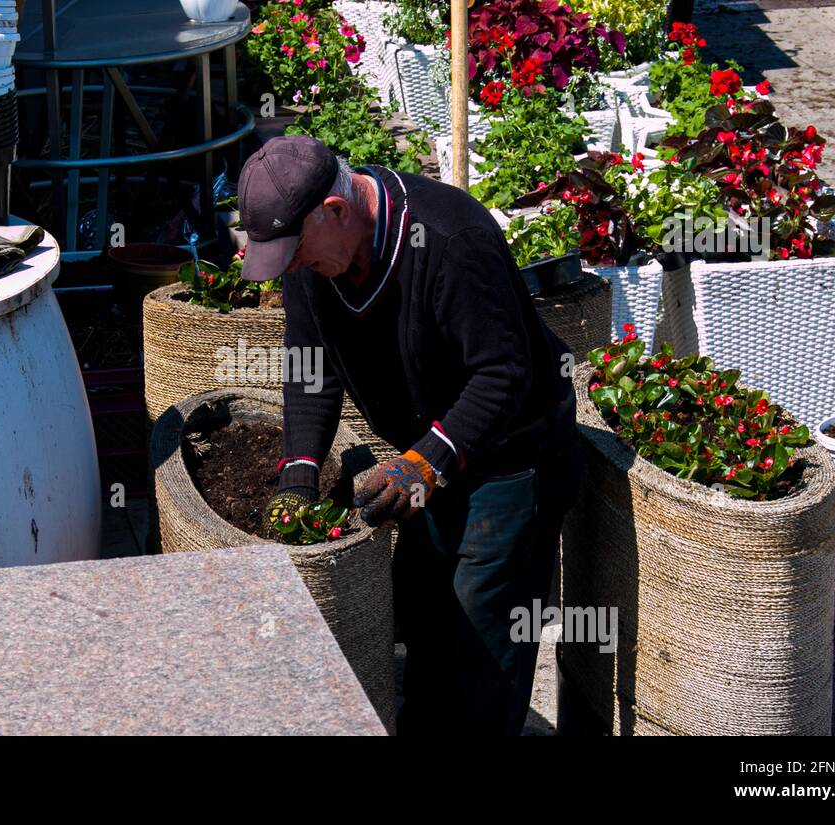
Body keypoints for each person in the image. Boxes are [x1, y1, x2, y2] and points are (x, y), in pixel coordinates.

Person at [237, 135, 584, 735]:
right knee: (422, 615)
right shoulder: (313, 256)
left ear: (337, 210)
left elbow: (504, 372)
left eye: (294, 253)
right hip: (435, 453)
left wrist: (428, 462)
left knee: (480, 646)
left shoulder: (450, 238)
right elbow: (309, 371)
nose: (291, 269)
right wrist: (299, 478)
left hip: (513, 456)